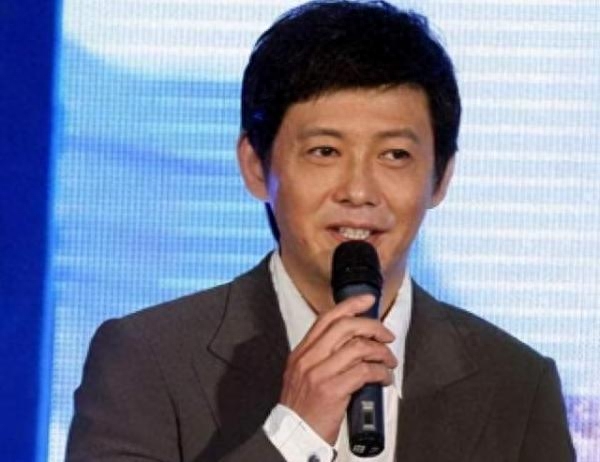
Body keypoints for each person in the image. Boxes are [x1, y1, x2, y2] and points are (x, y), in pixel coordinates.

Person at [65, 1, 575, 461]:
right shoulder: (146, 359)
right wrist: (294, 432)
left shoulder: (517, 383)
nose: (359, 191)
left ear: (441, 178)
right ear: (255, 166)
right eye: (325, 151)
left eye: (395, 155)